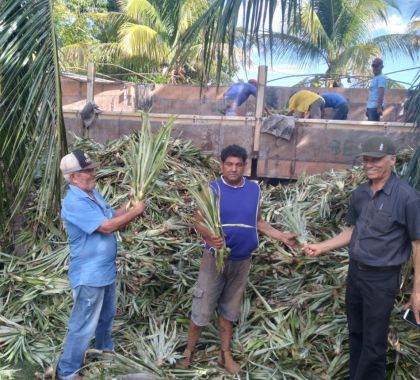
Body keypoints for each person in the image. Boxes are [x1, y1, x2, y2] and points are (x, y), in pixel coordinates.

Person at [303, 136, 420, 380]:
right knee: (356, 333)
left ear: (392, 160)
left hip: (382, 279)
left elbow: (417, 244)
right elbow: (354, 230)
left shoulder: (407, 197)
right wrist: (322, 247)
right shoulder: (360, 194)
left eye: (376, 159)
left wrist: (417, 291)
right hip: (356, 274)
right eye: (366, 160)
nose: (369, 164)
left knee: (374, 342)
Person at [176, 144, 297, 374]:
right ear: (221, 165)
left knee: (229, 311)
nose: (233, 169)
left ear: (244, 166)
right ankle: (188, 352)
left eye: (238, 165)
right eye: (229, 164)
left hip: (242, 261)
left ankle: (225, 354)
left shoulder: (254, 190)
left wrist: (282, 236)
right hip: (214, 259)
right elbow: (198, 221)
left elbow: (257, 221)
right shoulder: (212, 189)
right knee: (202, 308)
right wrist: (210, 239)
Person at [56, 149, 146, 380]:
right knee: (83, 324)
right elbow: (107, 227)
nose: (93, 172)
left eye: (92, 168)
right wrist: (135, 212)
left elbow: (112, 216)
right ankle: (68, 372)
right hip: (89, 275)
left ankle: (103, 351)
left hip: (105, 272)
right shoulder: (74, 202)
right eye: (87, 170)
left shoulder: (93, 194)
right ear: (74, 177)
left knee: (106, 317)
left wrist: (130, 203)